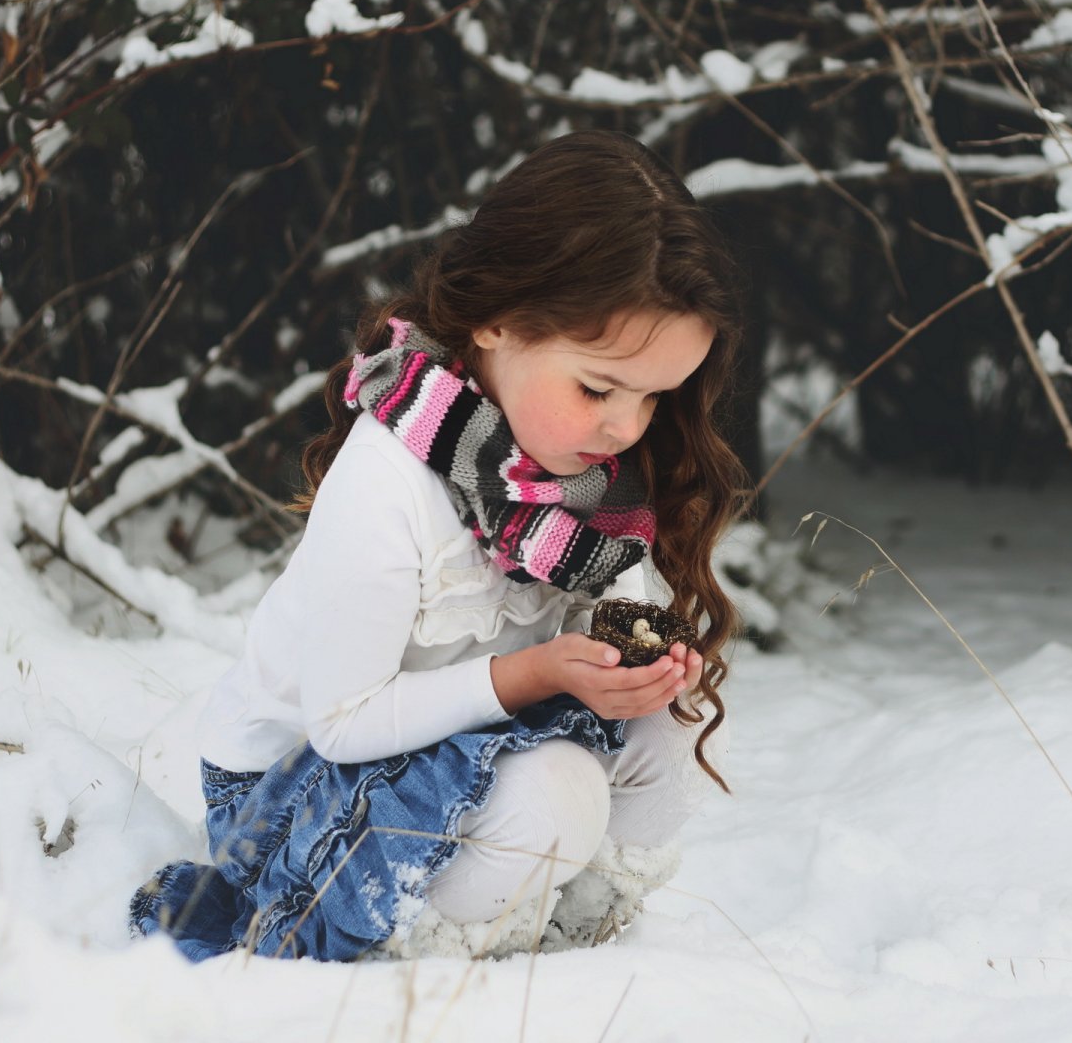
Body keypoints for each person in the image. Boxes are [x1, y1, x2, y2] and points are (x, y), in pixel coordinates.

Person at [127, 129, 749, 963]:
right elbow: (343, 723)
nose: (626, 427)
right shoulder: (389, 478)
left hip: (458, 743)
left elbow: (623, 612)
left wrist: (643, 668)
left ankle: (576, 919)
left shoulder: (582, 471)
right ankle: (420, 936)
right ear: (496, 321)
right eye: (598, 387)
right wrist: (534, 673)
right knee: (556, 795)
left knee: (678, 716)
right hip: (293, 794)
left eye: (654, 398)